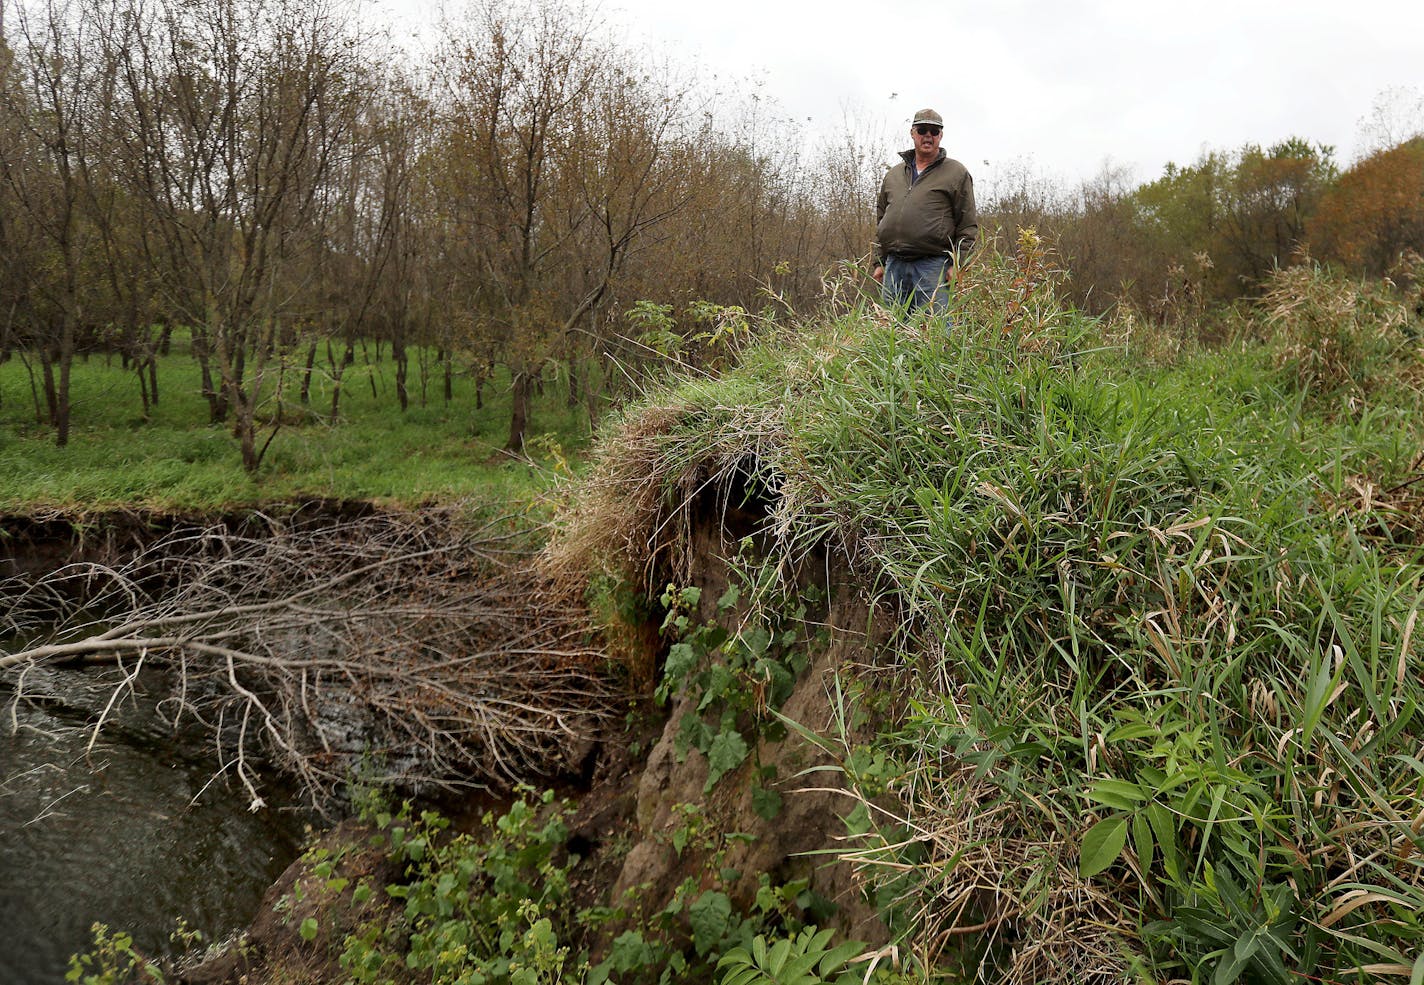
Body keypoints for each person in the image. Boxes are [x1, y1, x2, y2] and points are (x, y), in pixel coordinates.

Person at [873, 108, 978, 316]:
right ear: (913, 133)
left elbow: (968, 224)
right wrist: (879, 262)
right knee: (890, 331)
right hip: (894, 266)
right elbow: (882, 219)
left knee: (933, 332)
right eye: (922, 130)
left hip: (933, 267)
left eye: (934, 131)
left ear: (941, 135)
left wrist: (958, 265)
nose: (928, 135)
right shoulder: (893, 175)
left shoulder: (956, 172)